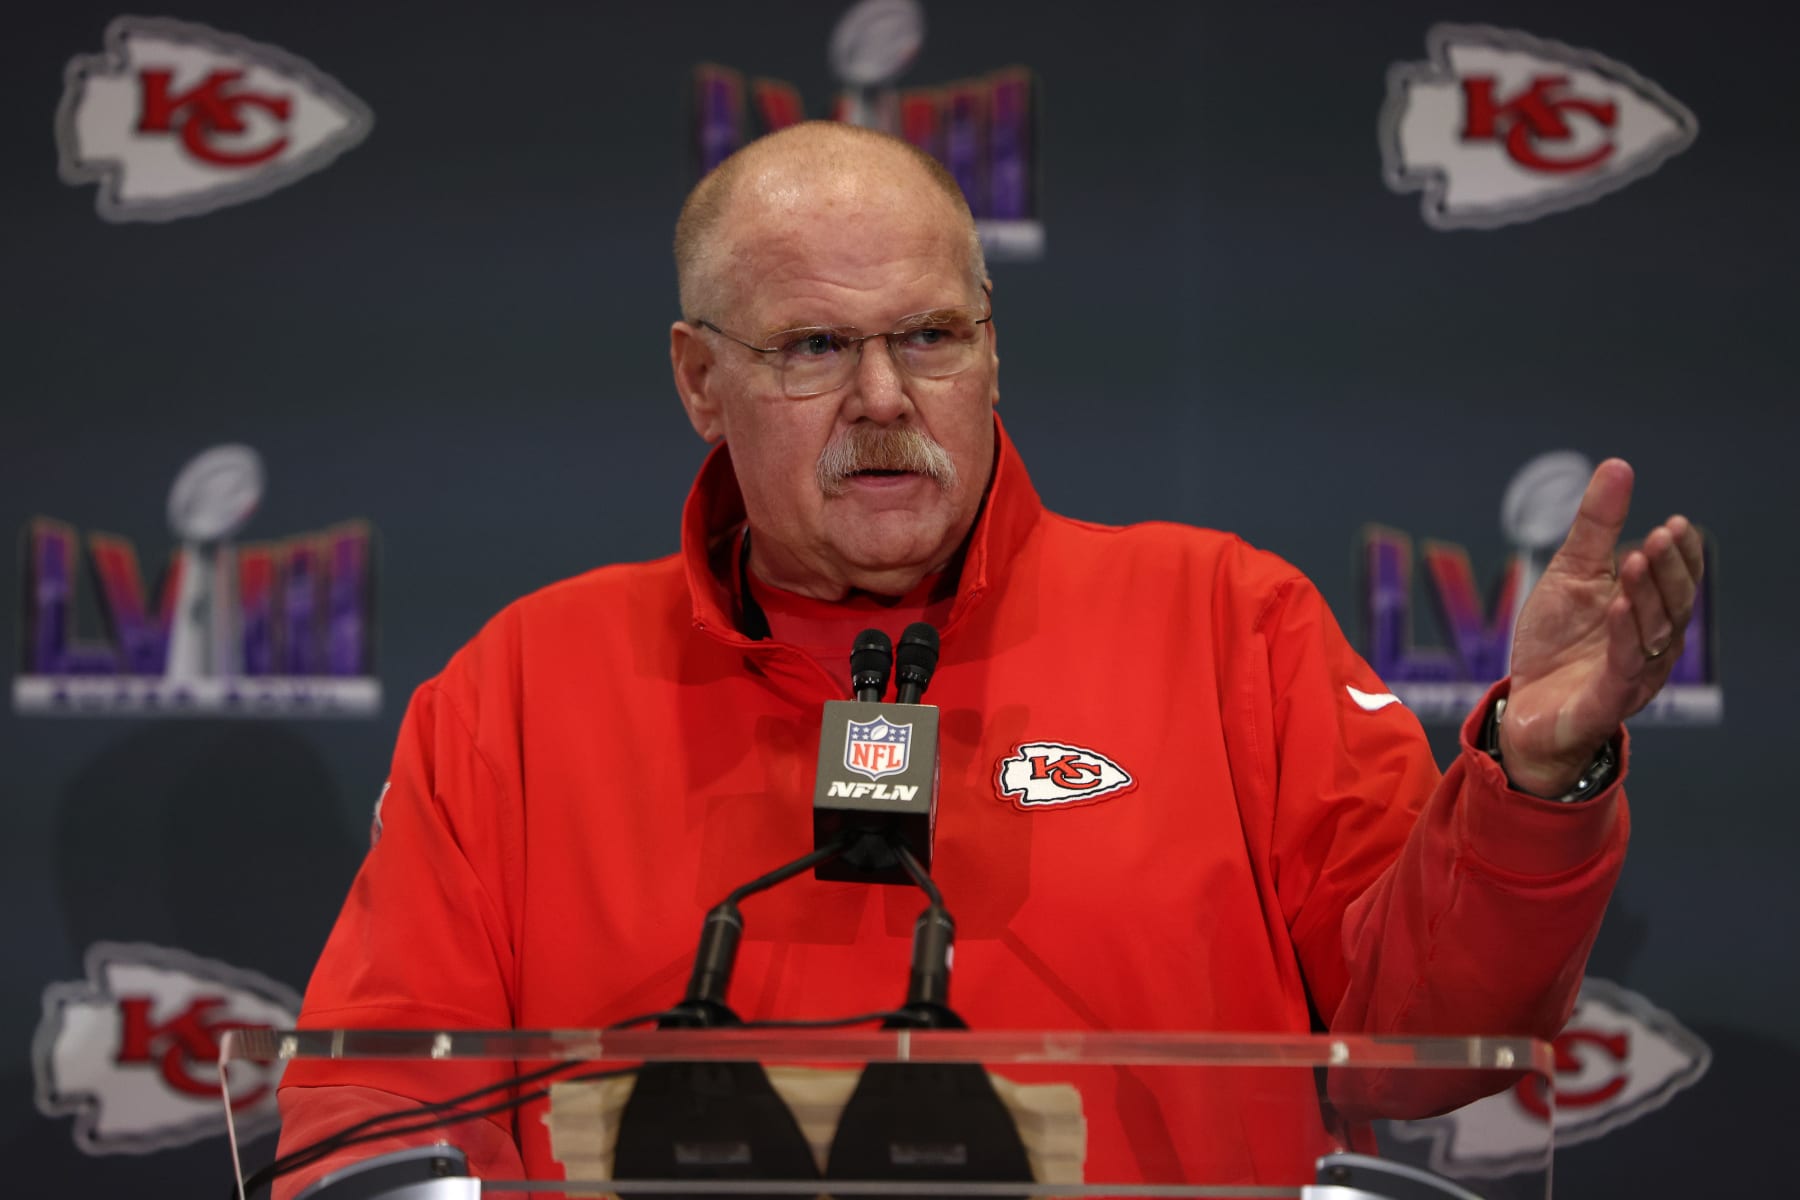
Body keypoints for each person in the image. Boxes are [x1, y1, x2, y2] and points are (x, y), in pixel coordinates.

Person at [274, 121, 1703, 1193]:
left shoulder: (1223, 621)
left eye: (932, 337)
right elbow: (373, 1110)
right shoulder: (526, 687)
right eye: (815, 346)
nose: (886, 399)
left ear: (995, 350)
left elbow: (1423, 1045)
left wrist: (1532, 774)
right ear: (700, 382)